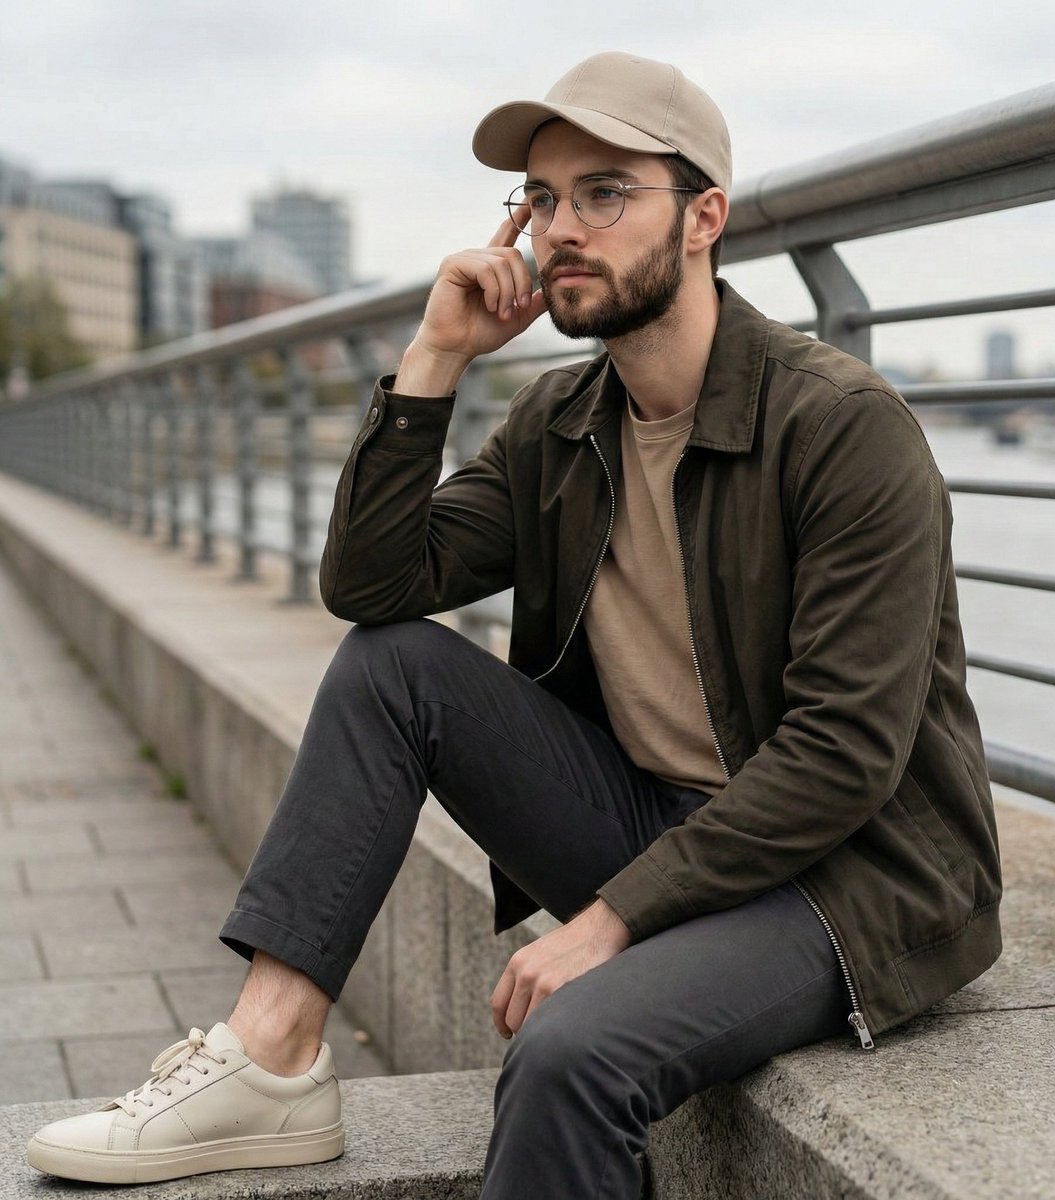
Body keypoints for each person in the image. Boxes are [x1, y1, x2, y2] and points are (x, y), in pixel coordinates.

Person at [27, 51, 1003, 1197]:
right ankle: (271, 1054)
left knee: (569, 1051)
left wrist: (609, 925)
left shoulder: (841, 428)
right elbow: (375, 587)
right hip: (658, 821)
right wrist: (435, 358)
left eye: (605, 192)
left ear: (704, 218)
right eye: (542, 198)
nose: (560, 227)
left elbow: (844, 756)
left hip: (843, 877)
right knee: (393, 668)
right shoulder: (561, 418)